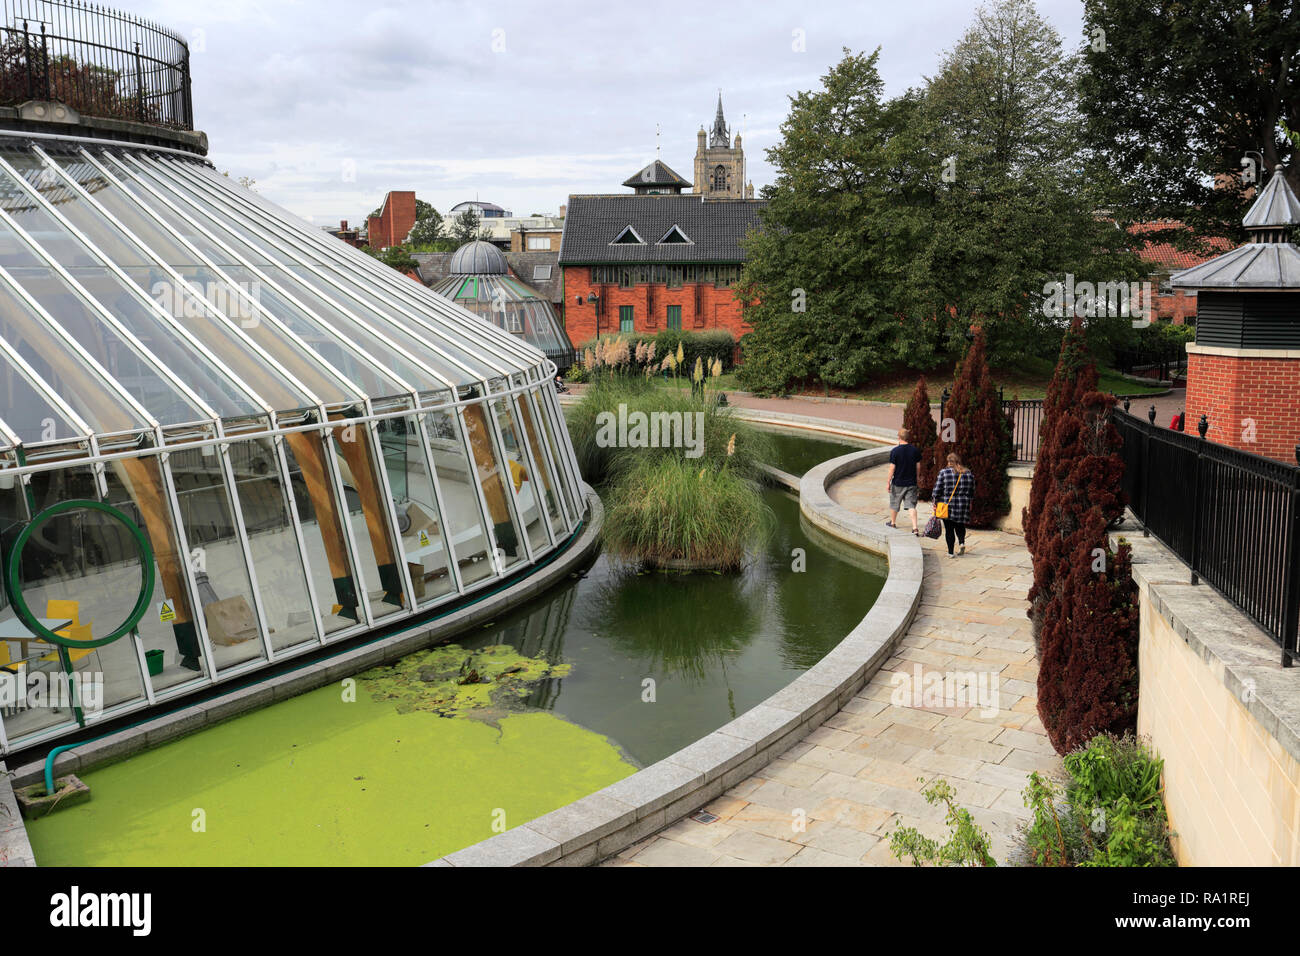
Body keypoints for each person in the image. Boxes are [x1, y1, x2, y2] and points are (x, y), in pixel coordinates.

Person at [931, 451, 975, 558]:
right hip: (962, 504)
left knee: (949, 529)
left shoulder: (944, 473)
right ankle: (961, 542)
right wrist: (970, 501)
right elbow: (972, 490)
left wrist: (934, 501)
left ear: (948, 462)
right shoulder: (968, 473)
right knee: (960, 524)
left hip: (947, 504)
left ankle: (950, 552)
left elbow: (937, 490)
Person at [886, 427, 922, 534]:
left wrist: (888, 482)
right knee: (911, 506)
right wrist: (917, 477)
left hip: (898, 483)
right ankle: (915, 527)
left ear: (899, 437)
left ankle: (892, 523)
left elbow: (892, 468)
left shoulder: (895, 451)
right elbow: (918, 466)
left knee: (894, 504)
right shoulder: (915, 450)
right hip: (911, 482)